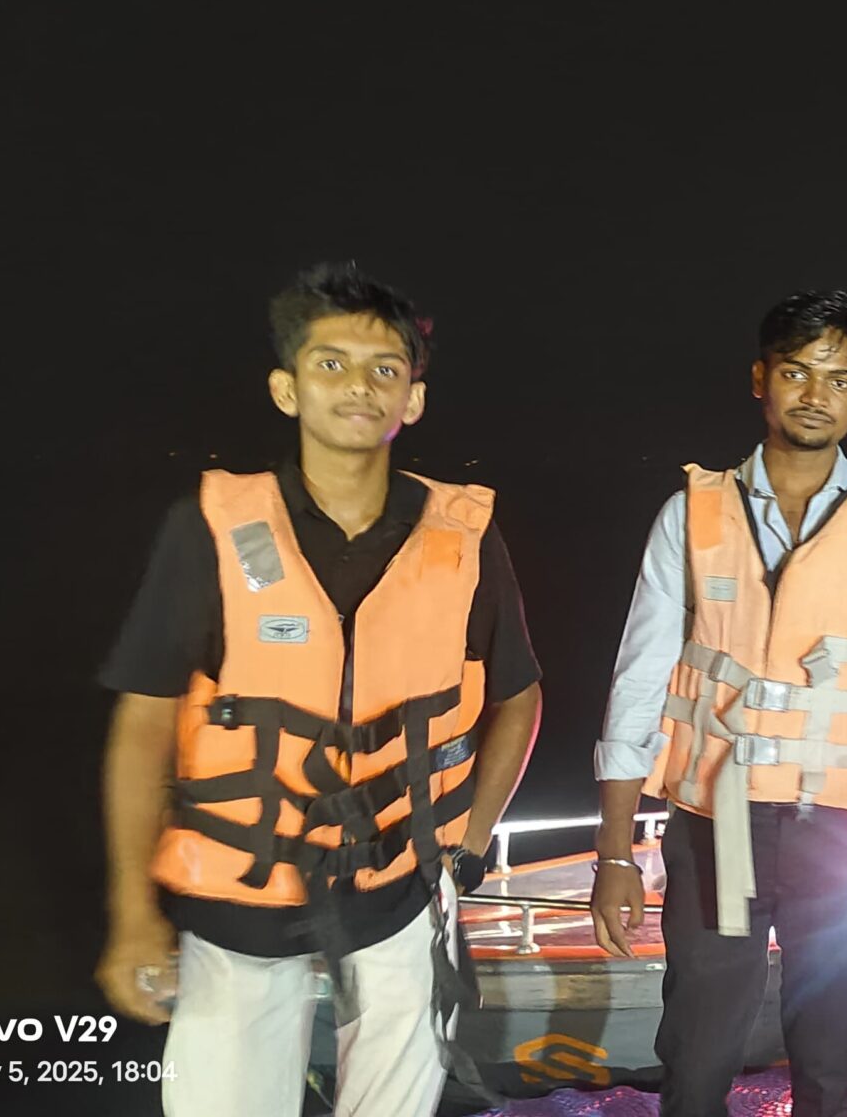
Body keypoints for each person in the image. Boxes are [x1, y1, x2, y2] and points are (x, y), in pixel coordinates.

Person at [95, 262, 544, 1117]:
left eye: (384, 368)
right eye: (330, 363)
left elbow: (517, 698)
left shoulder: (464, 538)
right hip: (241, 893)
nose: (358, 386)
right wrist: (131, 914)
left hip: (405, 887)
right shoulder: (209, 529)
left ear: (413, 399)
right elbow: (143, 722)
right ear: (286, 388)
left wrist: (470, 842)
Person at [586, 289, 847, 1117]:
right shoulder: (690, 515)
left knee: (829, 1055)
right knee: (697, 1048)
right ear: (760, 378)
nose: (815, 394)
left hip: (840, 832)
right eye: (797, 372)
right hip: (716, 822)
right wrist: (614, 853)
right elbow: (638, 682)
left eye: (838, 379)